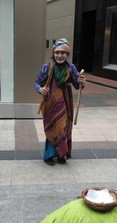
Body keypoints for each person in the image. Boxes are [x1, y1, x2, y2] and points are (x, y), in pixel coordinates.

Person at [34, 38, 85, 166]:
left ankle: (62, 155)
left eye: (63, 53)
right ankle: (49, 156)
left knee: (64, 128)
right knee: (53, 127)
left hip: (66, 103)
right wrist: (41, 89)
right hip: (51, 103)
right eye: (57, 52)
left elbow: (77, 85)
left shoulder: (71, 68)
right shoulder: (47, 67)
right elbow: (37, 83)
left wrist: (81, 83)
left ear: (67, 54)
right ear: (53, 53)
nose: (60, 55)